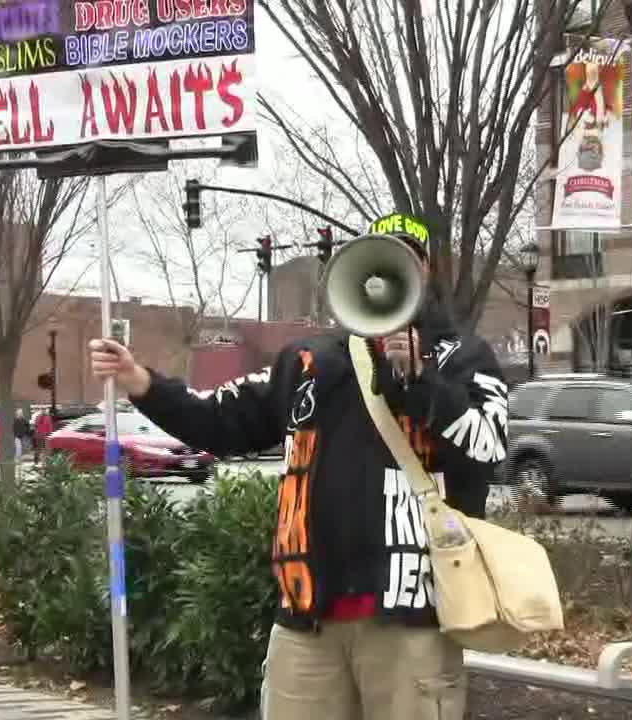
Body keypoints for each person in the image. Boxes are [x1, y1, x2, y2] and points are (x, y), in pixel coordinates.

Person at [89, 213, 508, 720]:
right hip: (307, 614)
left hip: (411, 616)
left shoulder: (464, 356)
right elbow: (222, 421)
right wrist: (143, 383)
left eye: (405, 259)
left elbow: (486, 448)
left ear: (426, 270)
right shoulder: (309, 359)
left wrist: (421, 381)